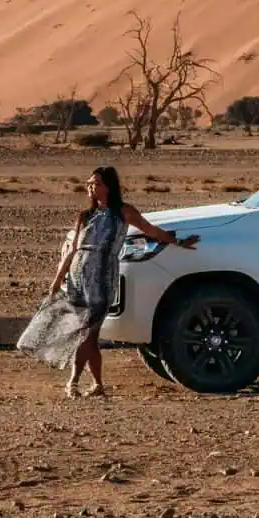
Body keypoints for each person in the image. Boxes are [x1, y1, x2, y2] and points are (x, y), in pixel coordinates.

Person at [17, 165, 199, 397]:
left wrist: (179, 242)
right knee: (88, 334)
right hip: (77, 277)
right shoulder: (84, 216)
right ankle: (97, 385)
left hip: (103, 278)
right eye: (89, 183)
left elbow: (151, 231)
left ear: (109, 187)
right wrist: (57, 279)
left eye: (97, 183)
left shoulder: (124, 212)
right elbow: (72, 250)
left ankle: (73, 382)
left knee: (88, 330)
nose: (91, 187)